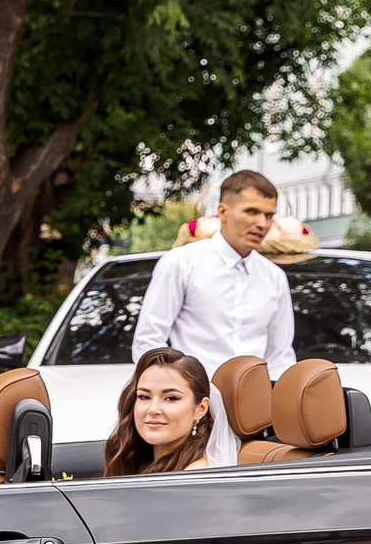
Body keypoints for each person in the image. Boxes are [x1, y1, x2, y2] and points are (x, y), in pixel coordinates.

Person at [134, 169, 294, 465]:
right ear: (222, 211)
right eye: (251, 211)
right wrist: (174, 400)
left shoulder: (274, 278)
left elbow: (280, 356)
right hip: (190, 416)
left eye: (269, 215)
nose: (262, 223)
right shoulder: (182, 263)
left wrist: (275, 417)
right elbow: (149, 341)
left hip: (254, 424)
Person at [103, 347, 216, 476]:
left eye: (171, 398)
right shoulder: (136, 458)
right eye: (144, 397)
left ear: (201, 409)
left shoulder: (196, 475)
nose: (153, 409)